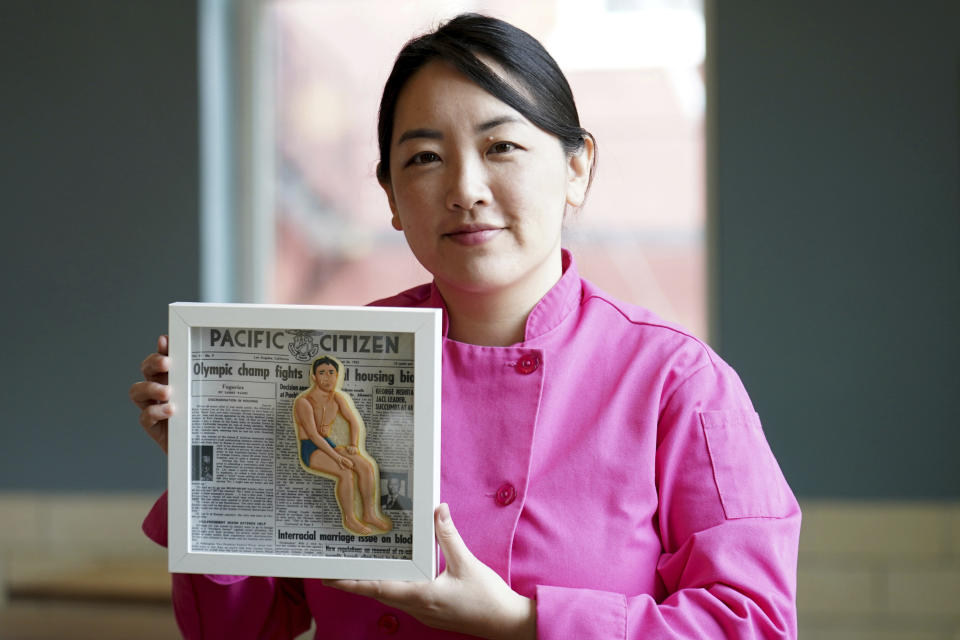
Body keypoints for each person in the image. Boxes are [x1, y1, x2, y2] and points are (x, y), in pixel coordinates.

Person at [129, 13, 800, 639]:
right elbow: (238, 627)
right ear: (390, 196)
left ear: (576, 167)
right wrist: (208, 474)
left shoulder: (676, 381)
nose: (465, 188)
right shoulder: (332, 359)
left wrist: (522, 621)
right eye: (424, 158)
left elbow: (752, 622)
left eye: (501, 145)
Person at [294, 355, 392, 535]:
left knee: (365, 465)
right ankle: (350, 518)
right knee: (345, 472)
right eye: (322, 373)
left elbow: (354, 422)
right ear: (314, 377)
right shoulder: (304, 402)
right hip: (311, 448)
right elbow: (314, 436)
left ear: (337, 376)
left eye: (331, 373)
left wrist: (353, 445)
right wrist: (338, 458)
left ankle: (369, 514)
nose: (327, 377)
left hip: (329, 445)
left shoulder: (338, 398)